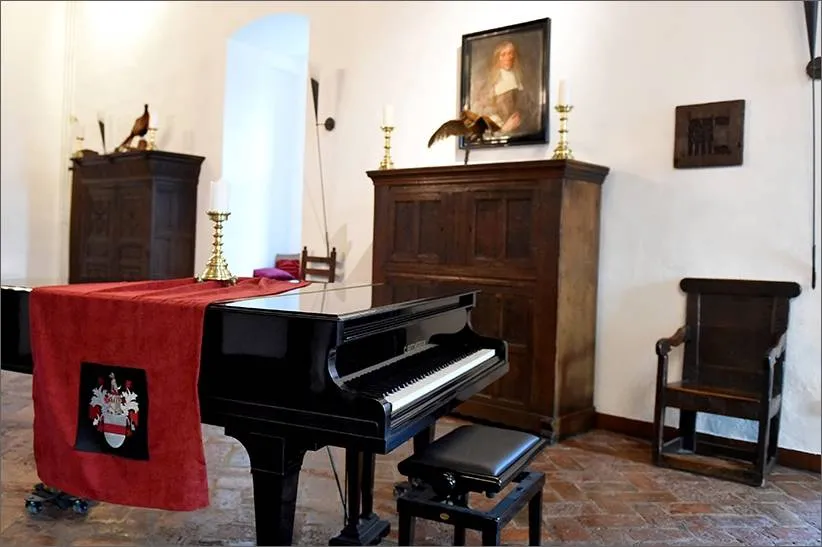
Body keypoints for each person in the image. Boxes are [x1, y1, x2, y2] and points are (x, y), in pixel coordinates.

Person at [470, 39, 539, 137]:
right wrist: (503, 128)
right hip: (499, 132)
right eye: (503, 54)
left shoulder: (521, 81)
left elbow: (529, 111)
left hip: (519, 132)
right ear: (498, 58)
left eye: (511, 53)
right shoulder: (489, 85)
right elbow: (482, 112)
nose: (508, 57)